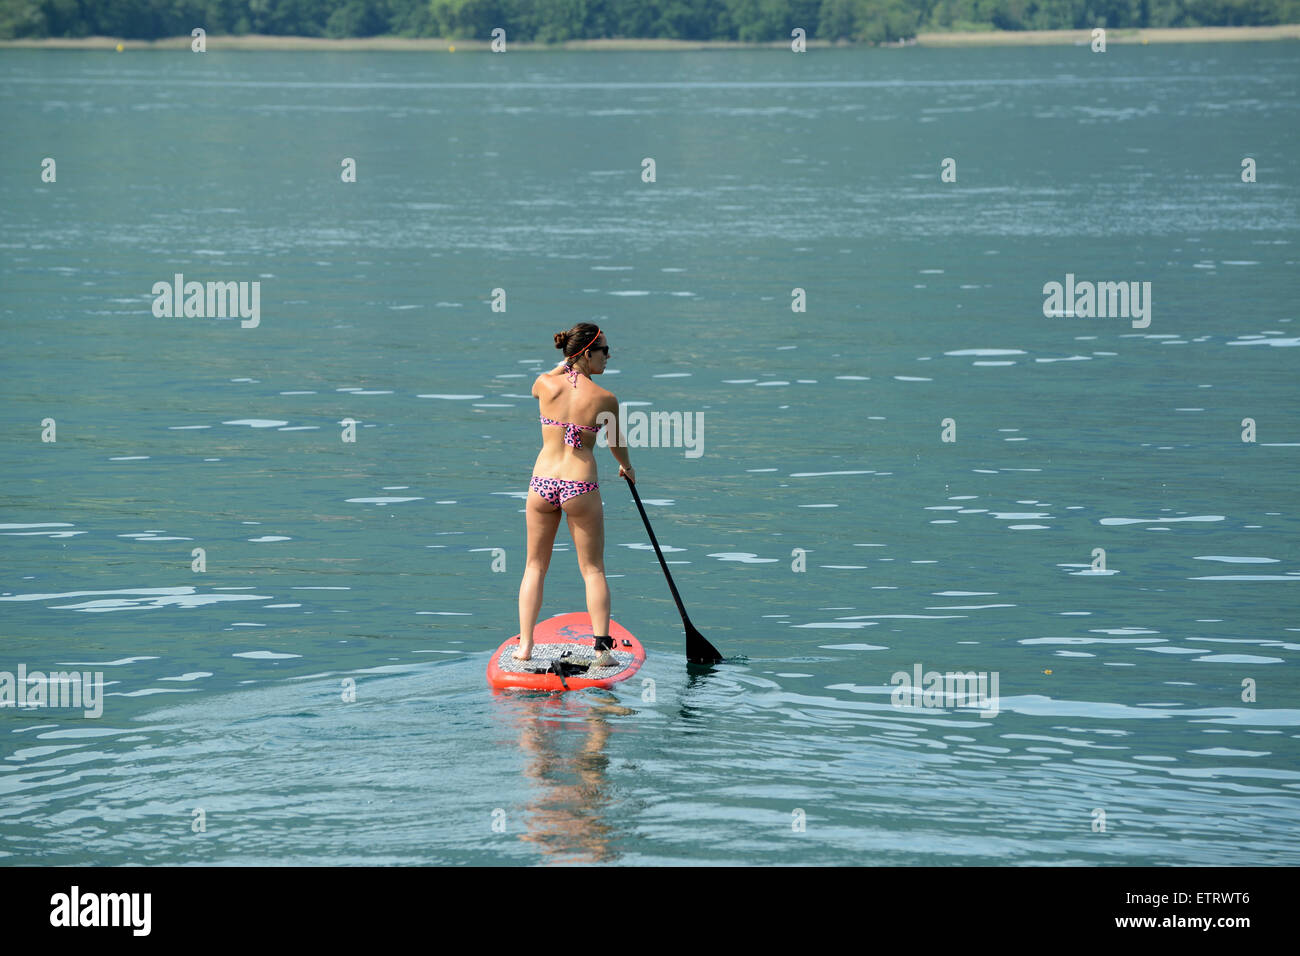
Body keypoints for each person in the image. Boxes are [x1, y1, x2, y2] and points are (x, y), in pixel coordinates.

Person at [516, 323, 634, 667]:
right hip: (579, 486)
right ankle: (601, 650)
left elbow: (541, 382)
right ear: (586, 353)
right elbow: (616, 444)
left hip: (542, 483)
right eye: (604, 351)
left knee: (534, 566)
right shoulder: (604, 398)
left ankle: (525, 647)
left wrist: (564, 365)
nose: (609, 357)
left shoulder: (544, 384)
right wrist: (627, 467)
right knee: (593, 569)